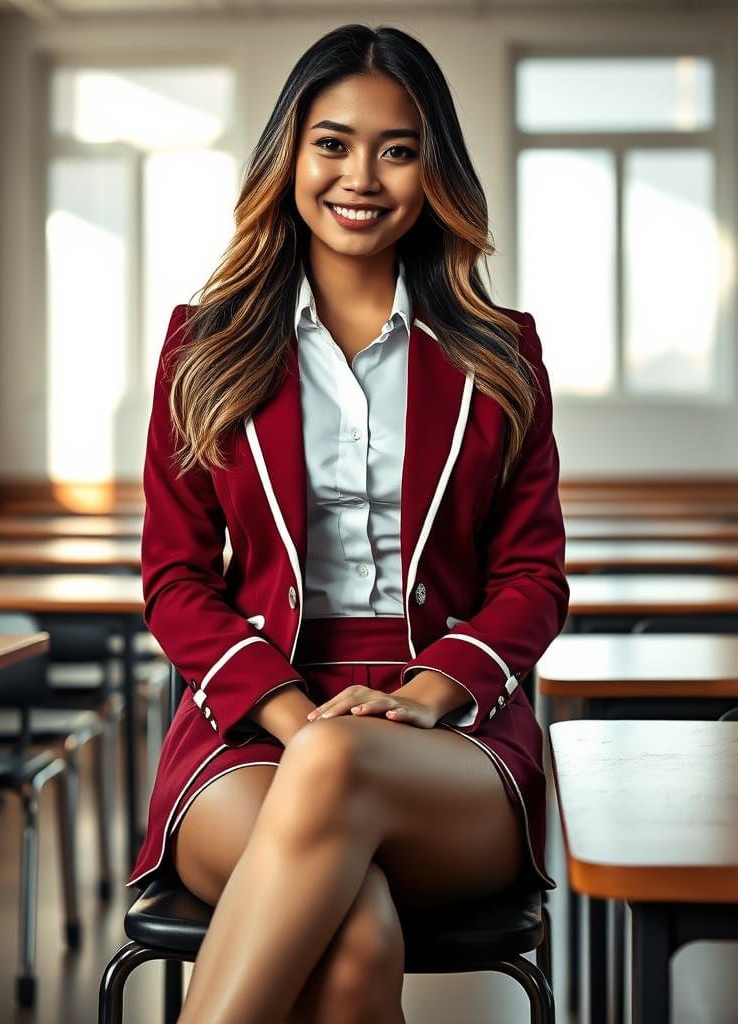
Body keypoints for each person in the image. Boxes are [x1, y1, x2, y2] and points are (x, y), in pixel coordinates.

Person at [129, 22, 569, 1024]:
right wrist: (295, 717)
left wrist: (426, 696)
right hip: (250, 721)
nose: (360, 177)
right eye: (332, 143)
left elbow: (533, 579)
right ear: (289, 154)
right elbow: (175, 577)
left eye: (397, 149)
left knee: (337, 782)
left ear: (434, 170)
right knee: (357, 939)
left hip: (451, 732)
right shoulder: (202, 346)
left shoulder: (503, 353)